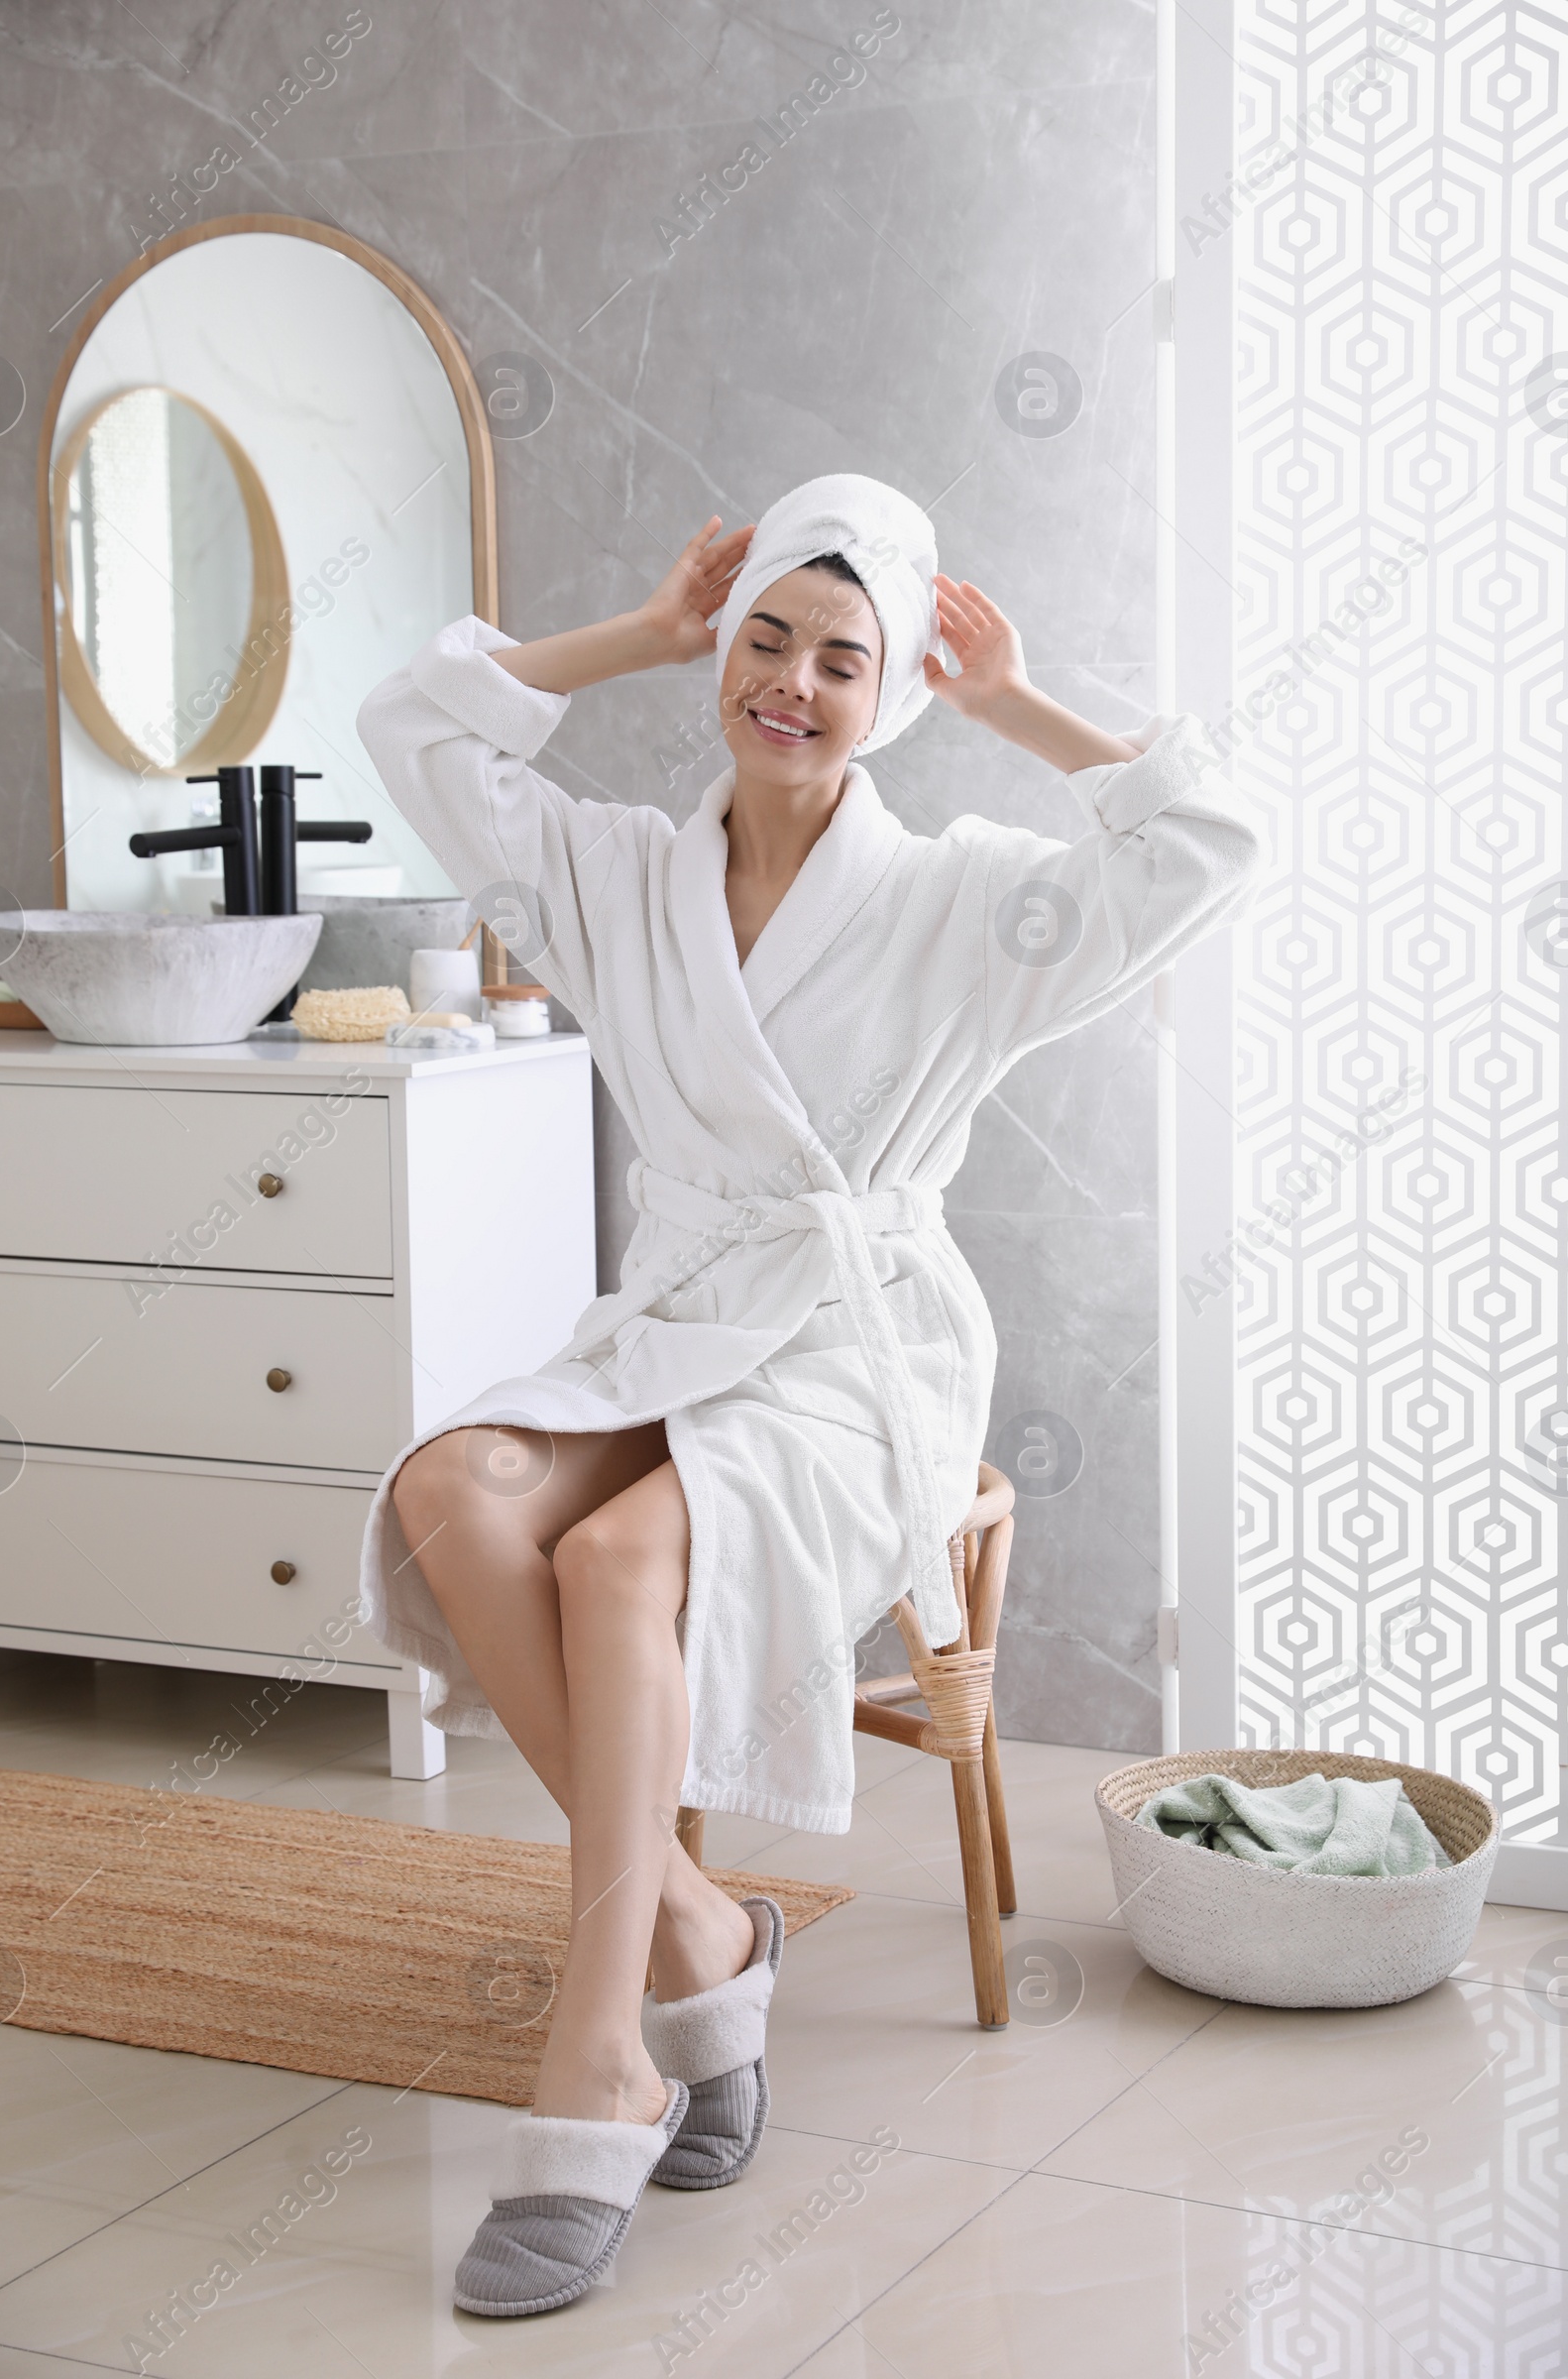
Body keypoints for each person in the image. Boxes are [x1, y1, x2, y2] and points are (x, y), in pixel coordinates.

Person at [354, 473, 1259, 2317]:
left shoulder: (960, 904)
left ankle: (602, 2049)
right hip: (675, 1310)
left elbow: (1210, 846)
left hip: (859, 1353)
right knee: (448, 1491)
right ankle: (705, 1931)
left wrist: (1020, 710)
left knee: (615, 1564)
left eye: (844, 659)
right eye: (763, 636)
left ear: (897, 688)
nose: (790, 682)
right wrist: (633, 630)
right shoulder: (621, 872)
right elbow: (414, 726)